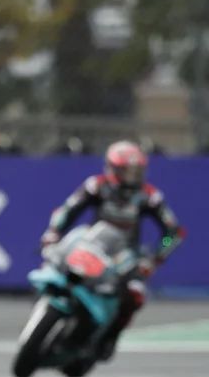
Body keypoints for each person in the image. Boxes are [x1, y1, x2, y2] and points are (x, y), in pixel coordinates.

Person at [40, 140, 186, 360]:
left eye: (137, 171)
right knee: (57, 264)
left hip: (126, 256)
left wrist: (155, 258)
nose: (133, 177)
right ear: (113, 168)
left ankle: (110, 336)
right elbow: (67, 210)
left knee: (136, 293)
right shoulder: (96, 186)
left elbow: (172, 233)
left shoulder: (149, 196)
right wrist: (53, 232)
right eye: (128, 171)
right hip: (91, 246)